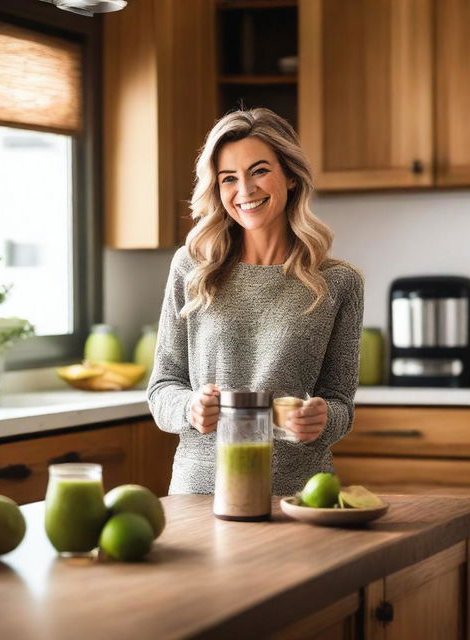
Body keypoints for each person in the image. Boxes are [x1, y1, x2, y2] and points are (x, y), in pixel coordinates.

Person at [147, 108, 364, 496]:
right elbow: (163, 386)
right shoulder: (191, 267)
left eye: (259, 171)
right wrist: (190, 408)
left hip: (299, 494)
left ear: (291, 176)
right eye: (229, 178)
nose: (244, 190)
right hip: (200, 491)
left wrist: (322, 418)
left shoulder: (338, 282)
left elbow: (341, 403)